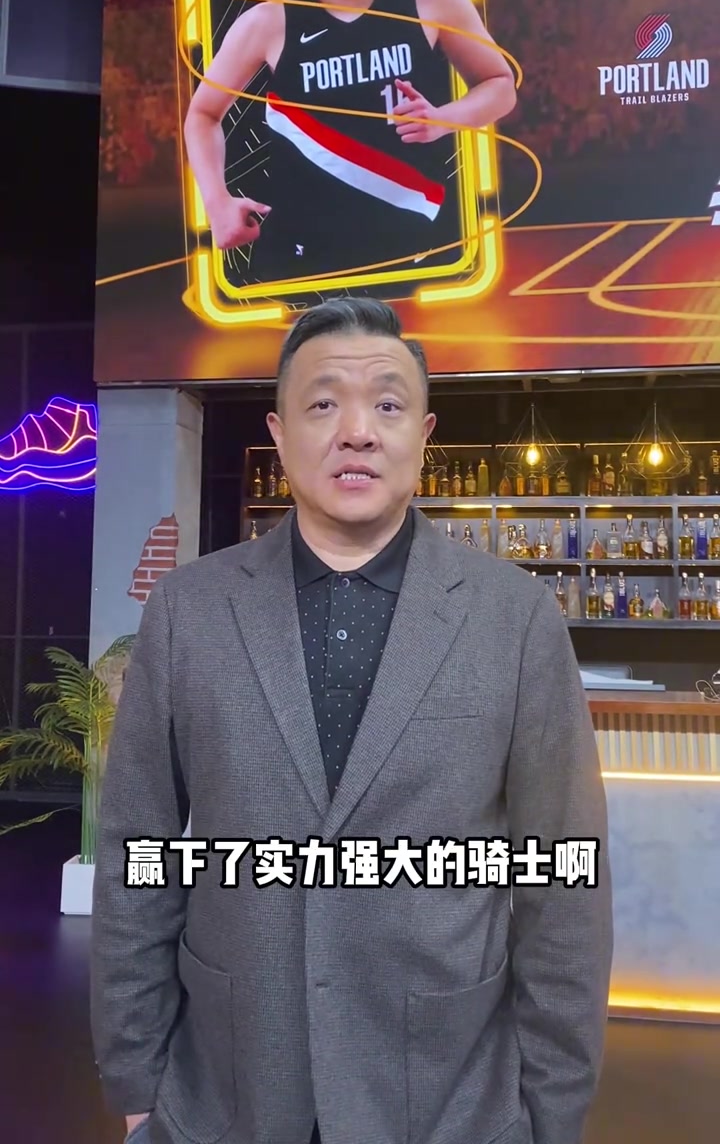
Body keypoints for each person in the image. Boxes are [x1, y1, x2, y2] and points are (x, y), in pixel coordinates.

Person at [90, 295, 613, 1144]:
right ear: (279, 432)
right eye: (324, 403)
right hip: (226, 1090)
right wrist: (137, 1080)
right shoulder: (190, 610)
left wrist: (552, 1111)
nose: (358, 431)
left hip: (451, 1098)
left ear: (424, 434)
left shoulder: (514, 618)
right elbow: (135, 852)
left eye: (388, 405)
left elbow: (563, 882)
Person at [183, 0, 516, 289]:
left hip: (412, 246)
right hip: (303, 255)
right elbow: (203, 115)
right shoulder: (269, 22)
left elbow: (499, 84)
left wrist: (444, 118)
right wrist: (217, 203)